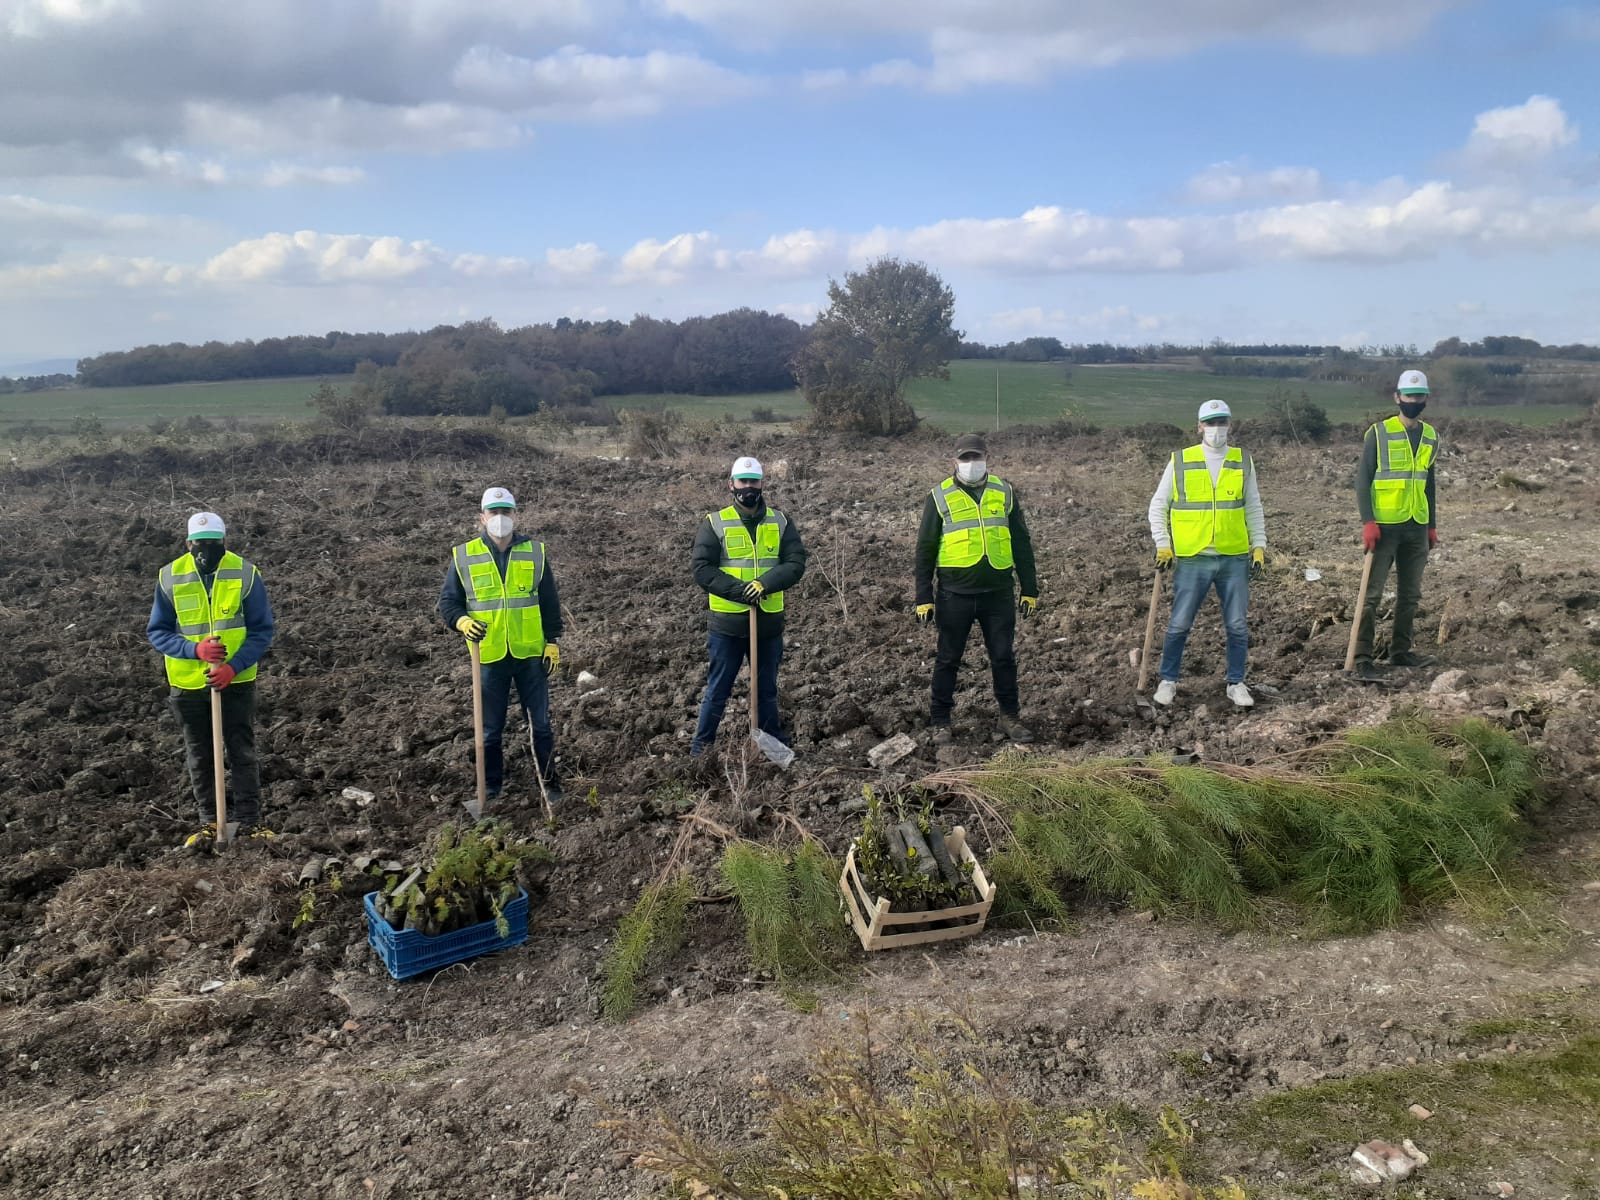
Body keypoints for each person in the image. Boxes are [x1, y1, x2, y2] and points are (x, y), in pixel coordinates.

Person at [146, 511, 276, 847]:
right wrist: (194, 650)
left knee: (241, 750)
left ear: (223, 542)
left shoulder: (245, 573)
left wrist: (234, 666)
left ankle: (249, 822)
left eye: (213, 543)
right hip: (188, 684)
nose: (205, 549)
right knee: (200, 754)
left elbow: (262, 630)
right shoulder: (170, 576)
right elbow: (158, 631)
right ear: (188, 543)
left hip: (235, 681)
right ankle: (209, 821)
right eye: (198, 544)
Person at [440, 486, 563, 803]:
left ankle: (549, 784)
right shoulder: (464, 556)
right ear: (481, 517)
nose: (499, 518)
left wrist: (552, 642)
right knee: (490, 730)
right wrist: (462, 622)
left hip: (530, 655)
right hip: (489, 655)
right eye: (493, 512)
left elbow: (549, 601)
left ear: (515, 515)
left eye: (505, 512)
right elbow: (449, 603)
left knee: (540, 726)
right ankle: (492, 788)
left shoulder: (535, 552)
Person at [914, 432, 1039, 743]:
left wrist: (1029, 588)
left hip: (998, 594)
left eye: (977, 457)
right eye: (966, 458)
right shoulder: (939, 496)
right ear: (954, 461)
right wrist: (923, 597)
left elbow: (1022, 542)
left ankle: (1009, 718)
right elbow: (925, 549)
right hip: (954, 595)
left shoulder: (1004, 491)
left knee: (1003, 657)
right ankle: (940, 720)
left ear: (987, 458)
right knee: (948, 658)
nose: (972, 463)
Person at [1147, 399, 1266, 709]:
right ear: (1199, 426)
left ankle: (1236, 682)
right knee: (1180, 623)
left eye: (1222, 421)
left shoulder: (1242, 461)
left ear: (1230, 423)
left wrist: (1259, 546)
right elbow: (1159, 505)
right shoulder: (1181, 461)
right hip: (1193, 557)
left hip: (1233, 556)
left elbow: (1253, 506)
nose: (1216, 428)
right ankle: (1168, 680)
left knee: (1238, 625)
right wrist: (1163, 544)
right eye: (1211, 422)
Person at [690, 456, 807, 757]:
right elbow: (703, 569)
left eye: (754, 481)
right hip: (727, 624)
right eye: (743, 482)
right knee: (718, 689)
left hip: (767, 624)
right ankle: (701, 749)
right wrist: (739, 591)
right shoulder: (714, 523)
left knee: (766, 689)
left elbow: (795, 562)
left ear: (761, 483)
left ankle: (772, 746)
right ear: (731, 484)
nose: (748, 488)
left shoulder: (781, 522)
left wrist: (764, 584)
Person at [1350, 369, 1439, 682]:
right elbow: (1363, 479)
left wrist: (1431, 525)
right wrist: (1368, 521)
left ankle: (1400, 651)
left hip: (1416, 525)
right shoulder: (1379, 433)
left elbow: (1429, 482)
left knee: (1410, 595)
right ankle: (1361, 656)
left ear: (1426, 398)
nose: (1414, 401)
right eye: (1408, 396)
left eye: (1419, 396)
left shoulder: (1430, 436)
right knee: (1371, 595)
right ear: (1397, 397)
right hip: (1384, 527)